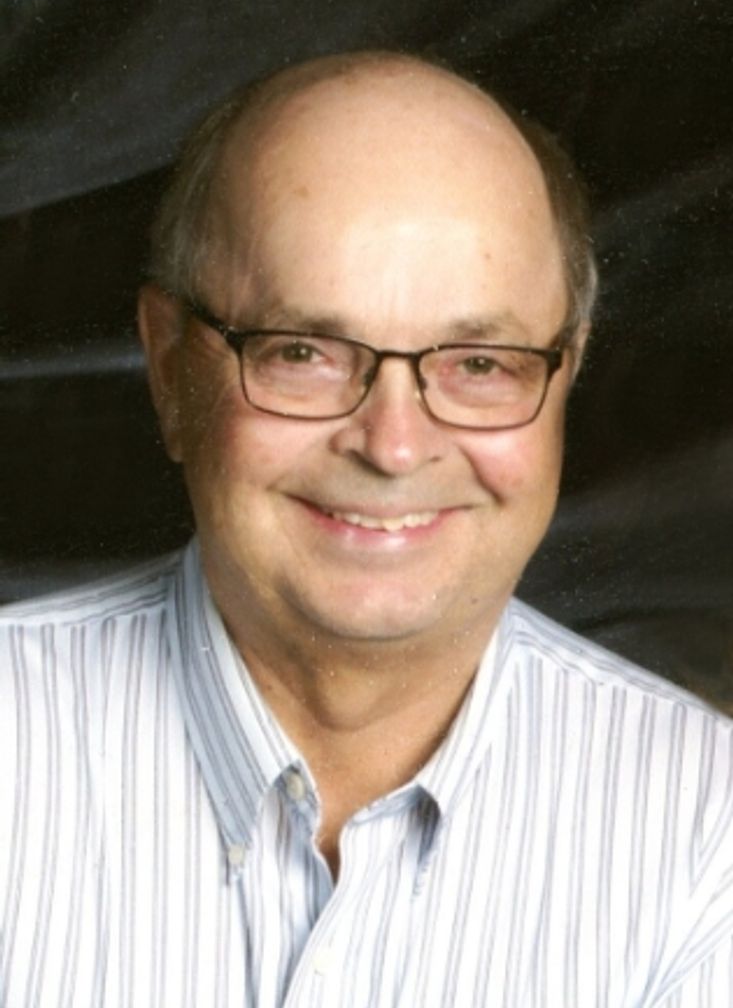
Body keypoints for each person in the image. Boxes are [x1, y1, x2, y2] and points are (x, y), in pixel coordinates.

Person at [1, 50, 732, 1008]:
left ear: (567, 374)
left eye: (479, 364)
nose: (393, 445)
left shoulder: (706, 834)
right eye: (302, 352)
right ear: (169, 365)